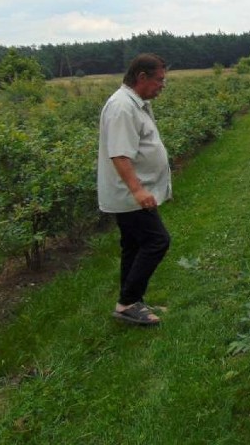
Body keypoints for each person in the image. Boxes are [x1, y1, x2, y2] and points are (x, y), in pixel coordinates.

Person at [97, 53, 172, 326]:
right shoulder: (122, 107)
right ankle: (128, 301)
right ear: (142, 77)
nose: (162, 85)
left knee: (134, 245)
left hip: (132, 193)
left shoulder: (134, 104)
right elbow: (119, 154)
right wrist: (138, 191)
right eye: (159, 80)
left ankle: (131, 302)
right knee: (157, 241)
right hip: (130, 195)